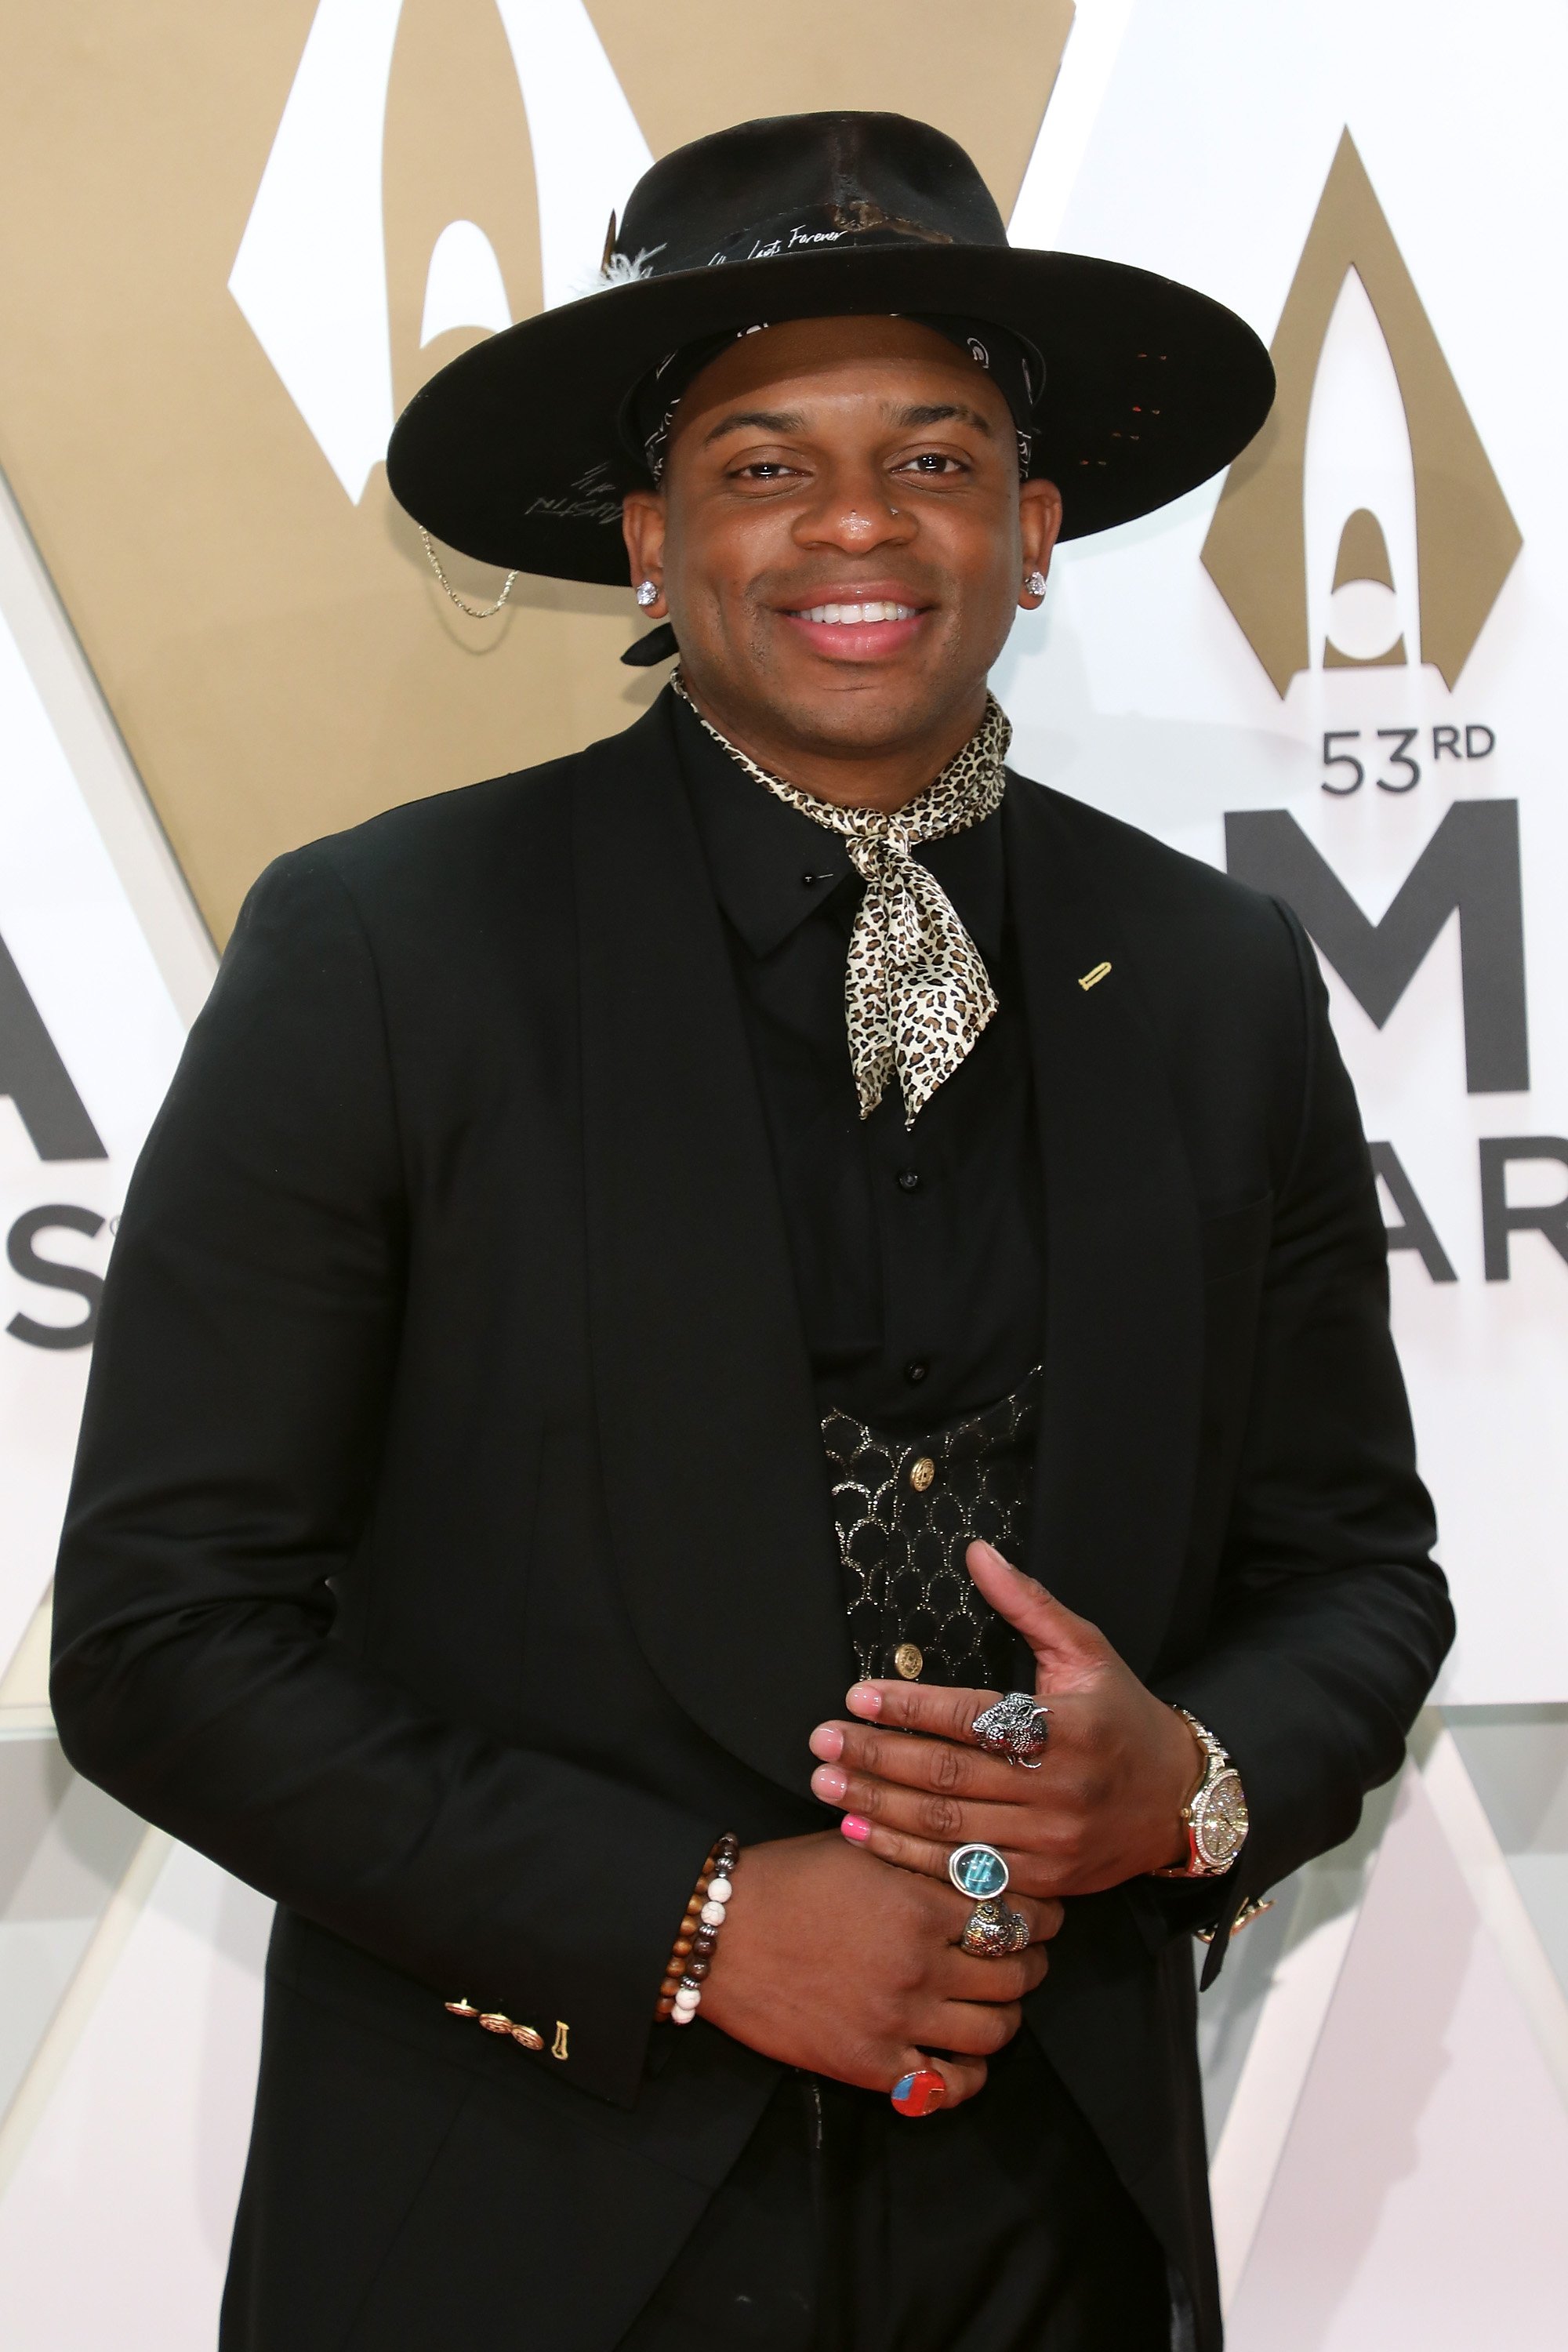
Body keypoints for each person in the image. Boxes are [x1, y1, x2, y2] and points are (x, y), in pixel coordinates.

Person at [50, 112, 1451, 2352]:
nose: (861, 525)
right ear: (645, 540)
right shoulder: (388, 954)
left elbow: (1357, 1577)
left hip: (1053, 2225)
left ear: (1038, 525)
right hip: (511, 2227)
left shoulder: (1209, 975)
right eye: (762, 464)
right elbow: (164, 1636)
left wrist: (1179, 1786)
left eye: (938, 453)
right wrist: (692, 1918)